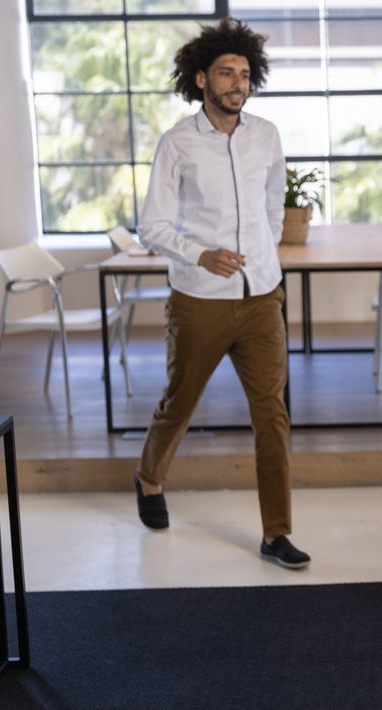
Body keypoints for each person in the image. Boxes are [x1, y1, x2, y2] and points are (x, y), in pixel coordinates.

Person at [133, 18, 309, 570]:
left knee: (272, 415)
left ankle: (276, 532)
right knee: (180, 402)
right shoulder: (178, 143)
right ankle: (149, 478)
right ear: (201, 78)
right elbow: (152, 226)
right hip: (200, 299)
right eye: (226, 73)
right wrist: (200, 253)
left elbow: (273, 202)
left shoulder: (266, 135)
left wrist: (267, 252)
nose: (238, 82)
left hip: (262, 298)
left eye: (244, 73)